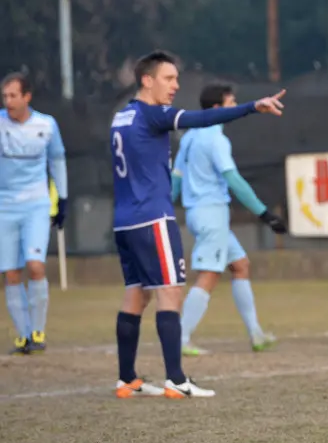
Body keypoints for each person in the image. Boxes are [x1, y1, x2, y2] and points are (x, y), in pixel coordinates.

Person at [110, 51, 286, 399]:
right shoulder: (153, 115)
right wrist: (252, 107)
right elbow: (200, 119)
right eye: (169, 78)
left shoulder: (121, 117)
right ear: (147, 80)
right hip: (153, 217)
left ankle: (127, 378)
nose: (176, 86)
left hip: (125, 219)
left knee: (137, 294)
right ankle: (176, 379)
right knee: (170, 290)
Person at [171, 83, 287, 356]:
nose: (235, 107)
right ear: (216, 109)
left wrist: (167, 205)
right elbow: (233, 179)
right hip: (211, 214)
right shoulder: (215, 138)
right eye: (231, 103)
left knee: (240, 265)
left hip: (199, 214)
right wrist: (264, 213)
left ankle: (256, 334)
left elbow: (176, 178)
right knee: (210, 275)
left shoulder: (189, 136)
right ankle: (180, 338)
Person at [0, 72, 68, 355]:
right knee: (11, 273)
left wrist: (62, 199)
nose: (8, 101)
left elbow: (57, 160)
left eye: (13, 95)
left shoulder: (46, 124)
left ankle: (38, 330)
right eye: (5, 96)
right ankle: (24, 335)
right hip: (5, 207)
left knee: (35, 265)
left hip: (36, 205)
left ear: (27, 97)